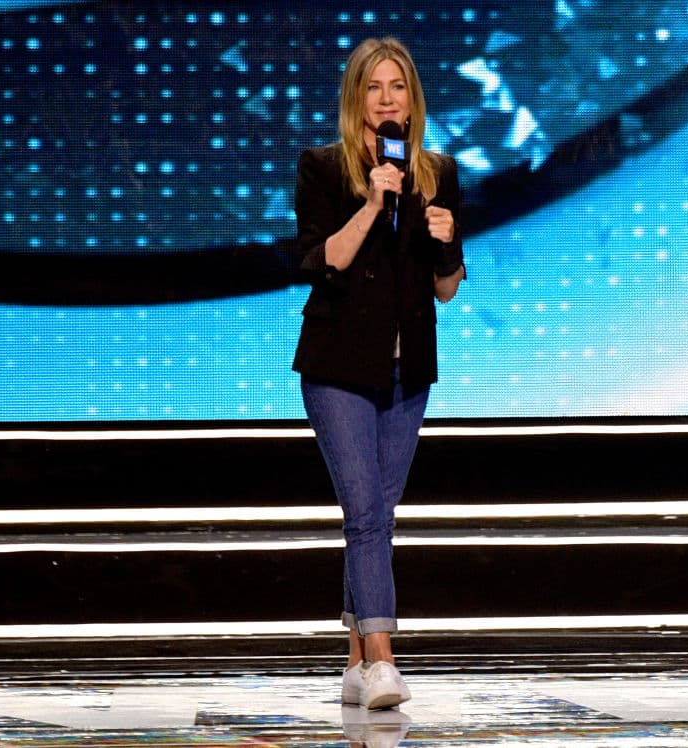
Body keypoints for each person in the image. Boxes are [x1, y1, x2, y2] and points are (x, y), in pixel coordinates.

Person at [292, 37, 465, 710]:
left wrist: (447, 242)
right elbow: (321, 260)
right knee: (364, 513)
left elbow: (445, 288)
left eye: (397, 87)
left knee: (376, 518)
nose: (386, 99)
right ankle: (385, 663)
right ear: (355, 98)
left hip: (406, 369)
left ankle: (356, 659)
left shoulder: (437, 172)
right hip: (337, 366)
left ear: (412, 99)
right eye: (373, 87)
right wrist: (371, 203)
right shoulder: (323, 168)